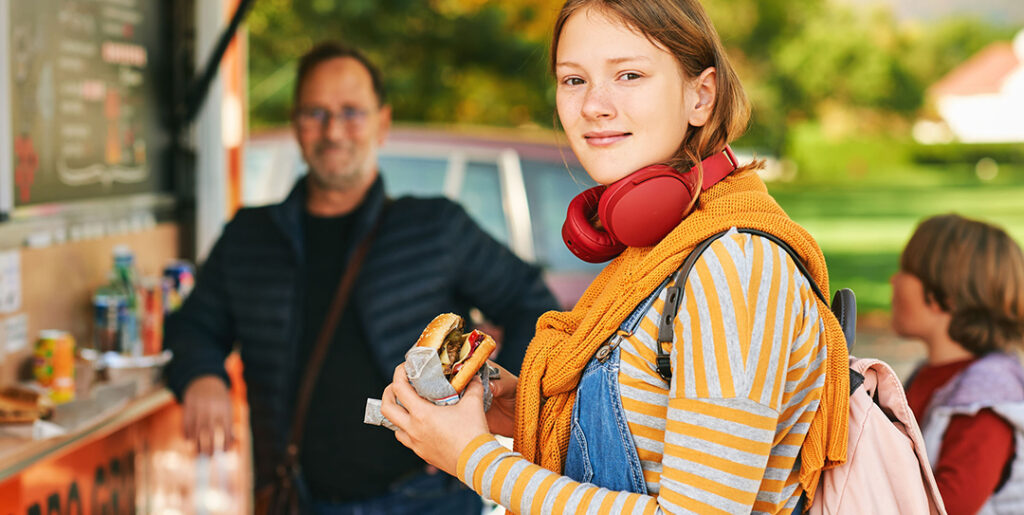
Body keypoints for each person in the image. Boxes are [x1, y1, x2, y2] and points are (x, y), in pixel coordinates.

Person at [380, 1, 852, 513]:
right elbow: (648, 430)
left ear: (702, 95)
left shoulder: (734, 264)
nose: (594, 106)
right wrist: (507, 404)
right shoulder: (660, 252)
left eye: (629, 74)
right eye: (573, 80)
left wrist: (473, 459)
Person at [163, 41, 559, 513]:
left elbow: (533, 305)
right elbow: (192, 328)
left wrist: (483, 411)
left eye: (352, 112)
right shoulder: (250, 236)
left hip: (426, 498)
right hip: (295, 496)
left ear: (382, 123)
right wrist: (202, 375)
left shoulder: (434, 226)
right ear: (295, 123)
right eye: (316, 112)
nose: (333, 130)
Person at [893, 214, 1024, 515]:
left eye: (905, 271)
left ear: (944, 297)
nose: (894, 280)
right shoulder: (929, 375)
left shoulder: (986, 398)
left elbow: (950, 507)